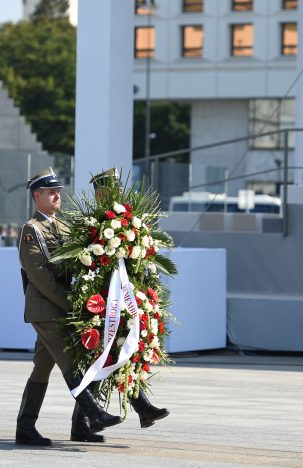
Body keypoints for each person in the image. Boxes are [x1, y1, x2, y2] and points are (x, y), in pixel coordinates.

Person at [16, 167, 122, 447]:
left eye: (58, 192)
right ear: (36, 196)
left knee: (42, 368)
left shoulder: (62, 227)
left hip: (60, 306)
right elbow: (40, 277)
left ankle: (31, 427)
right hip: (45, 307)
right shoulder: (31, 229)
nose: (56, 196)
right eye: (50, 192)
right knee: (70, 360)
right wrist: (70, 306)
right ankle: (93, 413)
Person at [89, 168, 170, 429]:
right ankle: (87, 419)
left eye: (119, 189)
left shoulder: (127, 218)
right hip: (101, 301)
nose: (118, 194)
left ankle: (140, 409)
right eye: (112, 190)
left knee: (124, 352)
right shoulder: (93, 221)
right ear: (101, 192)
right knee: (105, 357)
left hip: (125, 298)